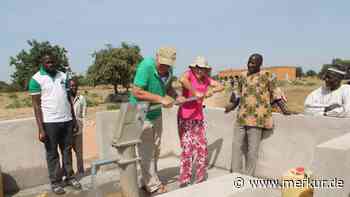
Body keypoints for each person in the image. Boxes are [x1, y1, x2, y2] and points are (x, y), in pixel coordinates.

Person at [229, 53, 291, 176]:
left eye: (253, 62)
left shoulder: (267, 76)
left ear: (260, 64)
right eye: (249, 62)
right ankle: (235, 174)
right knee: (236, 146)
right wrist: (230, 105)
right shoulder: (242, 76)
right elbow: (238, 94)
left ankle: (248, 176)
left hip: (257, 118)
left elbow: (275, 93)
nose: (250, 64)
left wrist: (285, 110)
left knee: (252, 150)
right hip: (241, 117)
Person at [29, 54, 81, 195]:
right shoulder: (36, 79)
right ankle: (56, 182)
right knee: (52, 154)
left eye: (53, 62)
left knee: (67, 150)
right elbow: (36, 106)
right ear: (42, 63)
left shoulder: (63, 76)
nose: (51, 64)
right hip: (49, 122)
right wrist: (41, 129)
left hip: (67, 120)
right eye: (48, 62)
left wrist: (74, 119)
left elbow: (69, 99)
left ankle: (70, 177)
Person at [130, 47, 179, 194]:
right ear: (157, 57)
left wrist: (177, 97)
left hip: (156, 112)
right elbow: (136, 91)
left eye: (168, 65)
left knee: (156, 149)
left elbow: (168, 88)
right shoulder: (146, 66)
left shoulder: (169, 72)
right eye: (162, 64)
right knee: (146, 150)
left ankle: (146, 180)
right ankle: (153, 185)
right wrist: (160, 99)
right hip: (141, 112)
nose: (164, 67)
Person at [177, 56, 224, 187]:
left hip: (198, 119)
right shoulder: (189, 75)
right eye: (197, 68)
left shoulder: (206, 80)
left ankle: (200, 177)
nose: (199, 71)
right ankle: (184, 179)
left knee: (202, 149)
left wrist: (211, 90)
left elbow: (220, 86)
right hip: (186, 118)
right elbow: (182, 80)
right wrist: (194, 92)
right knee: (187, 150)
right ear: (193, 68)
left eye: (202, 69)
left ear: (205, 70)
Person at [69, 79, 87, 176]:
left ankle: (81, 171)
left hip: (78, 129)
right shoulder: (65, 98)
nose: (74, 87)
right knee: (67, 153)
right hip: (67, 131)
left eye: (75, 85)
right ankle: (69, 173)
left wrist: (81, 124)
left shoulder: (81, 98)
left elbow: (84, 114)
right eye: (71, 86)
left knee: (79, 153)